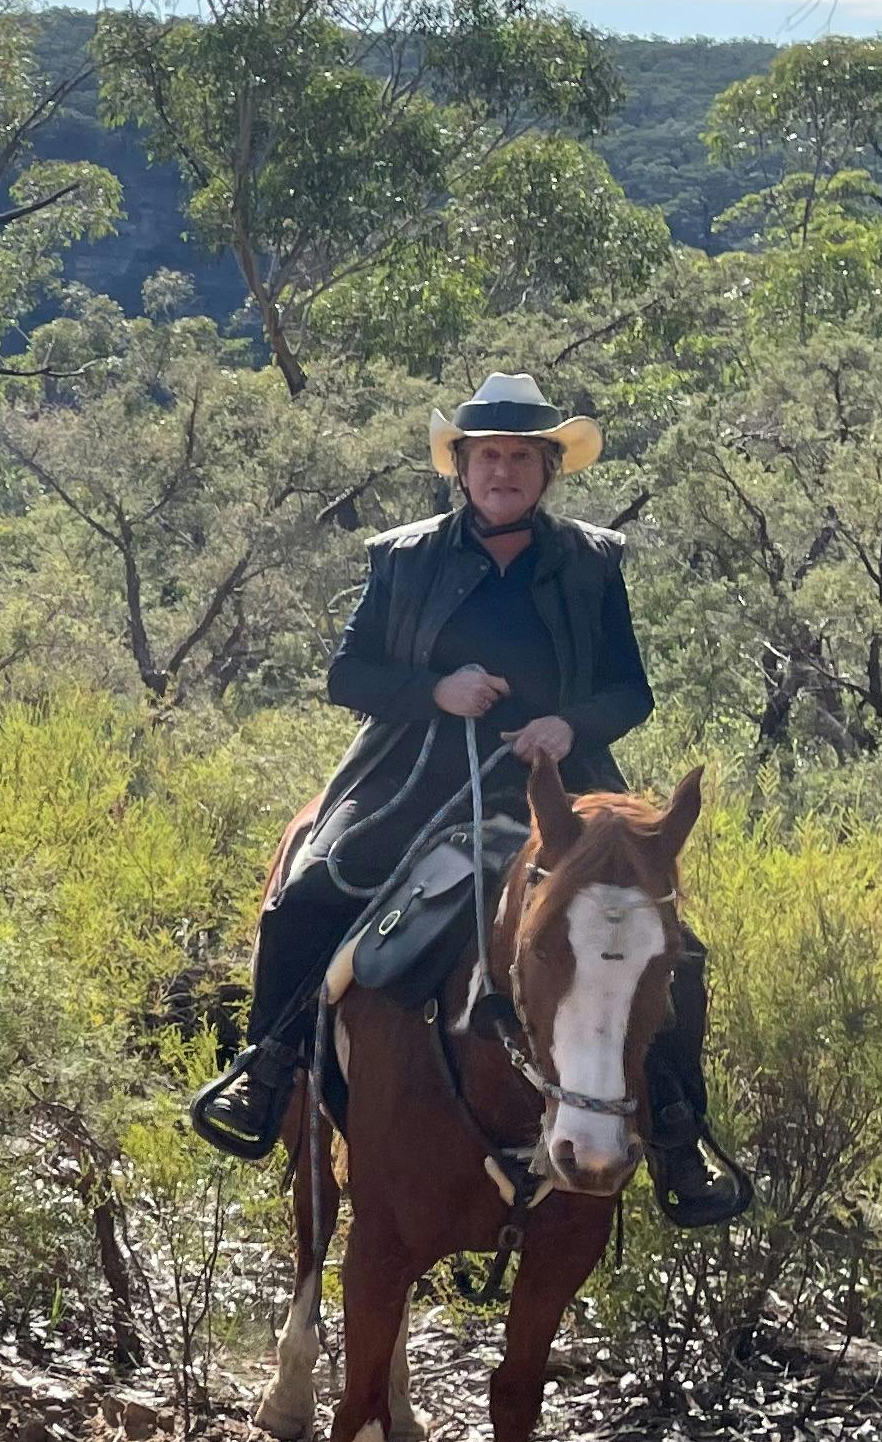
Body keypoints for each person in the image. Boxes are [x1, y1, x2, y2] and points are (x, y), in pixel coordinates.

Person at [188, 372, 748, 1223]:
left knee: (680, 951)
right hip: (418, 770)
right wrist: (434, 691)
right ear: (461, 466)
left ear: (547, 471)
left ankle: (674, 1131)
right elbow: (347, 675)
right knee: (310, 895)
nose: (504, 472)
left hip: (563, 788)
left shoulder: (593, 563)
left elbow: (631, 693)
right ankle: (265, 1070)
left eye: (522, 457)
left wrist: (567, 723)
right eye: (489, 456)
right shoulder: (403, 557)